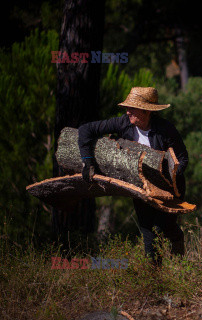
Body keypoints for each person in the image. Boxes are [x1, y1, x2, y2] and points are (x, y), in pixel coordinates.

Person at [78, 87, 188, 265]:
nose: (127, 111)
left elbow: (183, 159)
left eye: (133, 108)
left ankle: (179, 259)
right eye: (127, 108)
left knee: (163, 227)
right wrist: (87, 161)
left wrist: (168, 176)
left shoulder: (166, 129)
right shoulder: (123, 123)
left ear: (146, 111)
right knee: (148, 232)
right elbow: (85, 130)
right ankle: (154, 276)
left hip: (169, 188)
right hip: (140, 186)